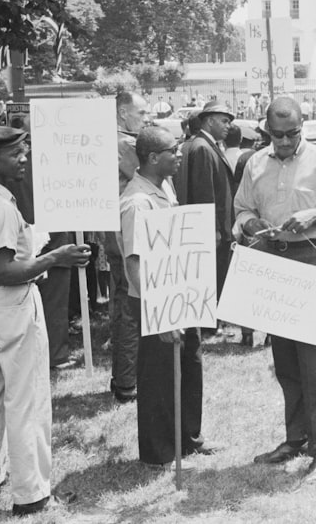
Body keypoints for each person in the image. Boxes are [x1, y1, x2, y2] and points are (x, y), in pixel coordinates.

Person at [0, 125, 91, 516]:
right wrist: (53, 257)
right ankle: (31, 492)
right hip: (10, 302)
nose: (24, 159)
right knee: (26, 399)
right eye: (16, 154)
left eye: (24, 151)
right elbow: (6, 270)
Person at [235, 96, 316, 484]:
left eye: (292, 134)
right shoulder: (255, 164)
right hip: (272, 261)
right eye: (277, 135)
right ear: (266, 130)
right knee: (285, 359)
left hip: (314, 261)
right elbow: (241, 210)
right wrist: (251, 225)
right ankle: (295, 438)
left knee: (315, 364)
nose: (285, 142)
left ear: (303, 127)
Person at [122, 126, 215, 468]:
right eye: (172, 152)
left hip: (180, 292)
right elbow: (134, 263)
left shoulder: (165, 187)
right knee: (159, 377)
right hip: (153, 299)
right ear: (151, 158)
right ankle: (158, 451)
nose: (179, 156)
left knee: (190, 364)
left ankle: (189, 438)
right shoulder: (136, 203)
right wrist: (157, 313)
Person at [173, 100, 235, 338]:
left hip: (212, 224)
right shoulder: (202, 147)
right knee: (212, 274)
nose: (228, 126)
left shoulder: (202, 145)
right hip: (211, 225)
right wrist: (214, 229)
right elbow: (204, 190)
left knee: (212, 273)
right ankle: (210, 324)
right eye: (224, 121)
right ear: (209, 120)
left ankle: (212, 321)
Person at [107, 91, 150, 403]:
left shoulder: (112, 140)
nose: (145, 119)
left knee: (123, 303)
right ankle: (127, 382)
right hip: (130, 230)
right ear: (123, 112)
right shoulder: (126, 143)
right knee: (132, 304)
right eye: (141, 113)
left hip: (118, 229)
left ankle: (124, 378)